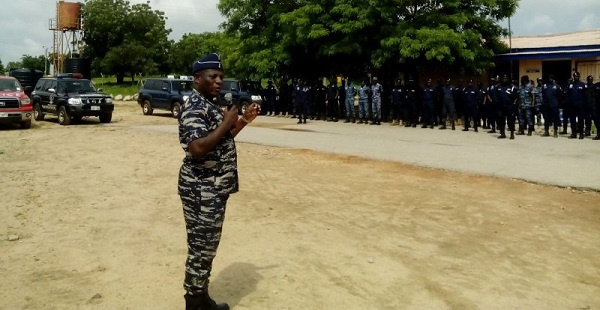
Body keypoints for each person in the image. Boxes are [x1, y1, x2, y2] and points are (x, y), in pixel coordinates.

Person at [178, 53, 260, 310]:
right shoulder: (194, 107)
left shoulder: (209, 104)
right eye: (212, 76)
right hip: (201, 189)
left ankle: (201, 298)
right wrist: (225, 123)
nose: (218, 81)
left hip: (213, 188)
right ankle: (193, 301)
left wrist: (244, 120)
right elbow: (197, 147)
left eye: (221, 77)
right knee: (201, 248)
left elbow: (224, 137)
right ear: (197, 78)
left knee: (207, 246)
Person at [497, 74, 517, 139]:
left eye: (506, 78)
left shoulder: (512, 87)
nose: (504, 79)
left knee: (510, 121)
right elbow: (496, 96)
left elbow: (516, 96)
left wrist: (514, 103)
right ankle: (502, 134)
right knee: (501, 121)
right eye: (503, 78)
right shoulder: (498, 87)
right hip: (501, 107)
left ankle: (512, 134)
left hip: (509, 106)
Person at [567, 72, 586, 139]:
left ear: (579, 76)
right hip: (572, 105)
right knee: (572, 120)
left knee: (581, 120)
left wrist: (584, 104)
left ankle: (581, 134)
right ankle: (573, 133)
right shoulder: (570, 85)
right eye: (574, 76)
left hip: (580, 105)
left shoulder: (583, 85)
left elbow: (585, 95)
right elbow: (568, 95)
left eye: (577, 76)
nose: (576, 77)